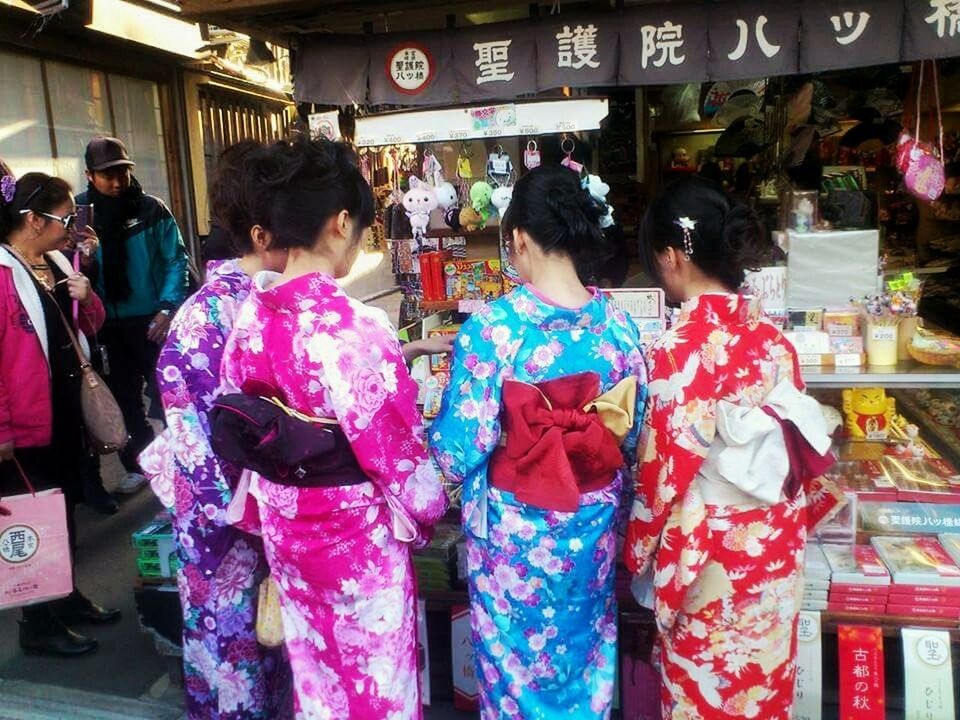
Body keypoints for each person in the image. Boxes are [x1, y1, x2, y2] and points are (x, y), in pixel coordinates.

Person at [220, 137, 448, 718]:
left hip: (285, 527)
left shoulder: (248, 320)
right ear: (341, 222)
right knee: (376, 680)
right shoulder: (352, 327)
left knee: (318, 677)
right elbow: (395, 452)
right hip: (355, 540)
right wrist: (429, 508)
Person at [429, 165, 647, 719]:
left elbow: (459, 448)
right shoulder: (619, 326)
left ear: (519, 239)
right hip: (592, 519)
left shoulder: (496, 327)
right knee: (584, 654)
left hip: (516, 531)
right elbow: (633, 432)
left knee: (515, 669)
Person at [623, 176, 836, 719]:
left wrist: (637, 550)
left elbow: (662, 474)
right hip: (775, 539)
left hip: (712, 553)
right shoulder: (775, 341)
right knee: (760, 683)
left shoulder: (676, 351)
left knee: (707, 688)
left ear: (672, 256)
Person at [138, 141, 292, 719]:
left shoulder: (271, 302)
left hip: (267, 504)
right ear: (260, 235)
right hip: (224, 514)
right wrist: (246, 513)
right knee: (231, 653)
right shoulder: (206, 315)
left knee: (268, 640)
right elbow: (192, 438)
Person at [0, 165, 122, 656]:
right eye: (64, 218)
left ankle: (66, 596)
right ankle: (38, 621)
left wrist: (88, 295)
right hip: (26, 423)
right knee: (32, 518)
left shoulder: (58, 262)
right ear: (32, 219)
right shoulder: (4, 274)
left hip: (63, 412)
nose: (71, 228)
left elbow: (90, 325)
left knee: (63, 508)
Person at [77, 136, 189, 507]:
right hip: (104, 323)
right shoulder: (80, 216)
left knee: (170, 395)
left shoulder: (152, 210)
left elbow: (176, 259)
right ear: (90, 175)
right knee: (125, 398)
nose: (116, 180)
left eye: (122, 171)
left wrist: (167, 308)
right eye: (107, 174)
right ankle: (144, 466)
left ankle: (185, 463)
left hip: (151, 318)